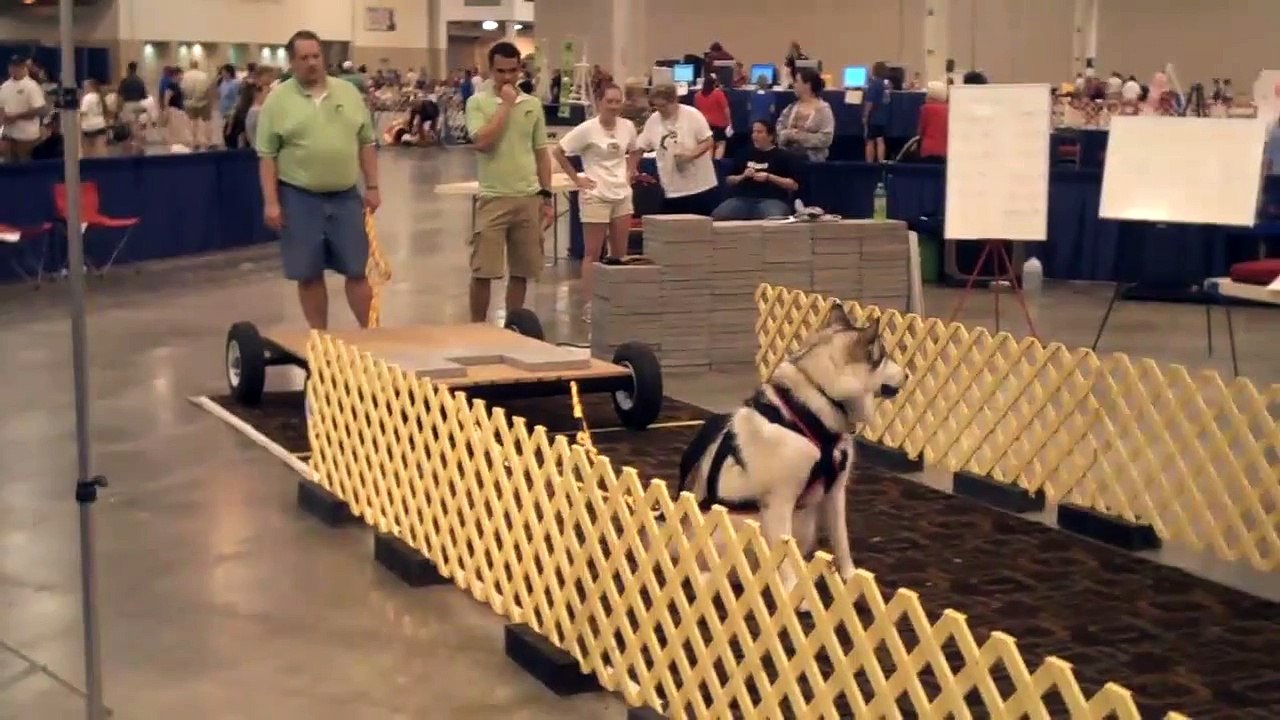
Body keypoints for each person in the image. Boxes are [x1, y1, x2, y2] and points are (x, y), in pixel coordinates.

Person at [256, 29, 381, 331]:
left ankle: (373, 334)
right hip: (299, 197)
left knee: (357, 268)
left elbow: (366, 142)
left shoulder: (348, 93)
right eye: (304, 58)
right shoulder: (277, 101)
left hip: (345, 195)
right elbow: (267, 155)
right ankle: (320, 338)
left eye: (316, 56)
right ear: (292, 62)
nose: (312, 63)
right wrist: (272, 202)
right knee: (309, 272)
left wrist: (373, 186)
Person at [464, 40, 555, 324]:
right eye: (500, 71)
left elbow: (541, 154)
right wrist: (505, 105)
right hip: (493, 197)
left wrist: (546, 196)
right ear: (490, 70)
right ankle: (477, 328)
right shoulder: (477, 102)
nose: (507, 77)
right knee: (483, 270)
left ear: (520, 70)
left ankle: (512, 326)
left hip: (528, 197)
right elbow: (483, 142)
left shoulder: (533, 106)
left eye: (512, 70)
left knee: (522, 271)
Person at [552, 83, 640, 320]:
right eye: (609, 101)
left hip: (621, 193)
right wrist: (577, 178)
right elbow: (559, 151)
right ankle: (590, 304)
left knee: (620, 252)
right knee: (593, 253)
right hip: (596, 194)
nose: (613, 106)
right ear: (599, 103)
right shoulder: (587, 129)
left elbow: (635, 150)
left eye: (617, 101)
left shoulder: (628, 126)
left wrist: (629, 172)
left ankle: (618, 301)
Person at [638, 83, 718, 215]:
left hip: (698, 187)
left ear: (674, 101)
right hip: (671, 188)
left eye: (663, 106)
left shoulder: (692, 115)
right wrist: (632, 168)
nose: (659, 109)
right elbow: (640, 146)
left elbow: (708, 141)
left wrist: (690, 155)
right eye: (656, 106)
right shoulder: (653, 120)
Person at [711, 121, 799, 220]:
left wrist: (769, 177)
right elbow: (728, 180)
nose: (755, 135)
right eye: (754, 132)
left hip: (772, 199)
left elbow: (793, 185)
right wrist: (743, 176)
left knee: (775, 217)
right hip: (742, 199)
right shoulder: (744, 153)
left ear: (771, 137)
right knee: (719, 215)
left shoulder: (783, 156)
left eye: (760, 132)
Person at [777, 69, 834, 162]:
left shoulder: (823, 109)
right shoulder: (790, 108)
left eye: (797, 81)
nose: (793, 85)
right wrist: (787, 134)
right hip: (788, 158)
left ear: (807, 85)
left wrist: (799, 137)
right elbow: (779, 130)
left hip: (813, 161)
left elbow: (826, 139)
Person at [0, 55, 48, 163]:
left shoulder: (31, 86)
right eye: (12, 66)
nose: (14, 69)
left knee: (26, 165)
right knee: (9, 166)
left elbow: (40, 109)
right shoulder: (5, 86)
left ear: (23, 67)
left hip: (27, 137)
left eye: (17, 67)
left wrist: (16, 117)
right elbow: (1, 108)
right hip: (9, 136)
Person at [693, 73, 731, 159]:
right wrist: (729, 122)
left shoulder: (697, 95)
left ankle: (709, 163)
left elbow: (696, 110)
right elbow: (726, 108)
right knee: (720, 144)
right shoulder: (718, 94)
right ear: (714, 84)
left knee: (709, 145)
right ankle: (717, 163)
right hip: (719, 125)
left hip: (705, 124)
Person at [180, 60, 214, 149]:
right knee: (206, 122)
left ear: (190, 65)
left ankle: (194, 141)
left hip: (189, 102)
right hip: (203, 102)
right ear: (197, 65)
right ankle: (208, 142)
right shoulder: (204, 75)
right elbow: (207, 88)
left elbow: (182, 89)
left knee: (193, 122)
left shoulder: (185, 76)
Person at [863, 61, 892, 163]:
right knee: (880, 140)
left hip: (874, 116)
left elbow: (869, 101)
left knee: (870, 140)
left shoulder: (874, 84)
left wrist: (865, 115)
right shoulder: (887, 84)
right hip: (884, 117)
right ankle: (881, 162)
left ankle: (870, 163)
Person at [917, 81, 948, 163]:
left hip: (929, 148)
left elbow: (920, 131)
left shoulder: (925, 109)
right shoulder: (949, 109)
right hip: (945, 149)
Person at [79, 78, 108, 157]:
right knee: (100, 152)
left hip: (88, 127)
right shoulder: (100, 97)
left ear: (89, 87)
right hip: (100, 125)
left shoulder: (87, 98)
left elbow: (83, 112)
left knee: (87, 152)